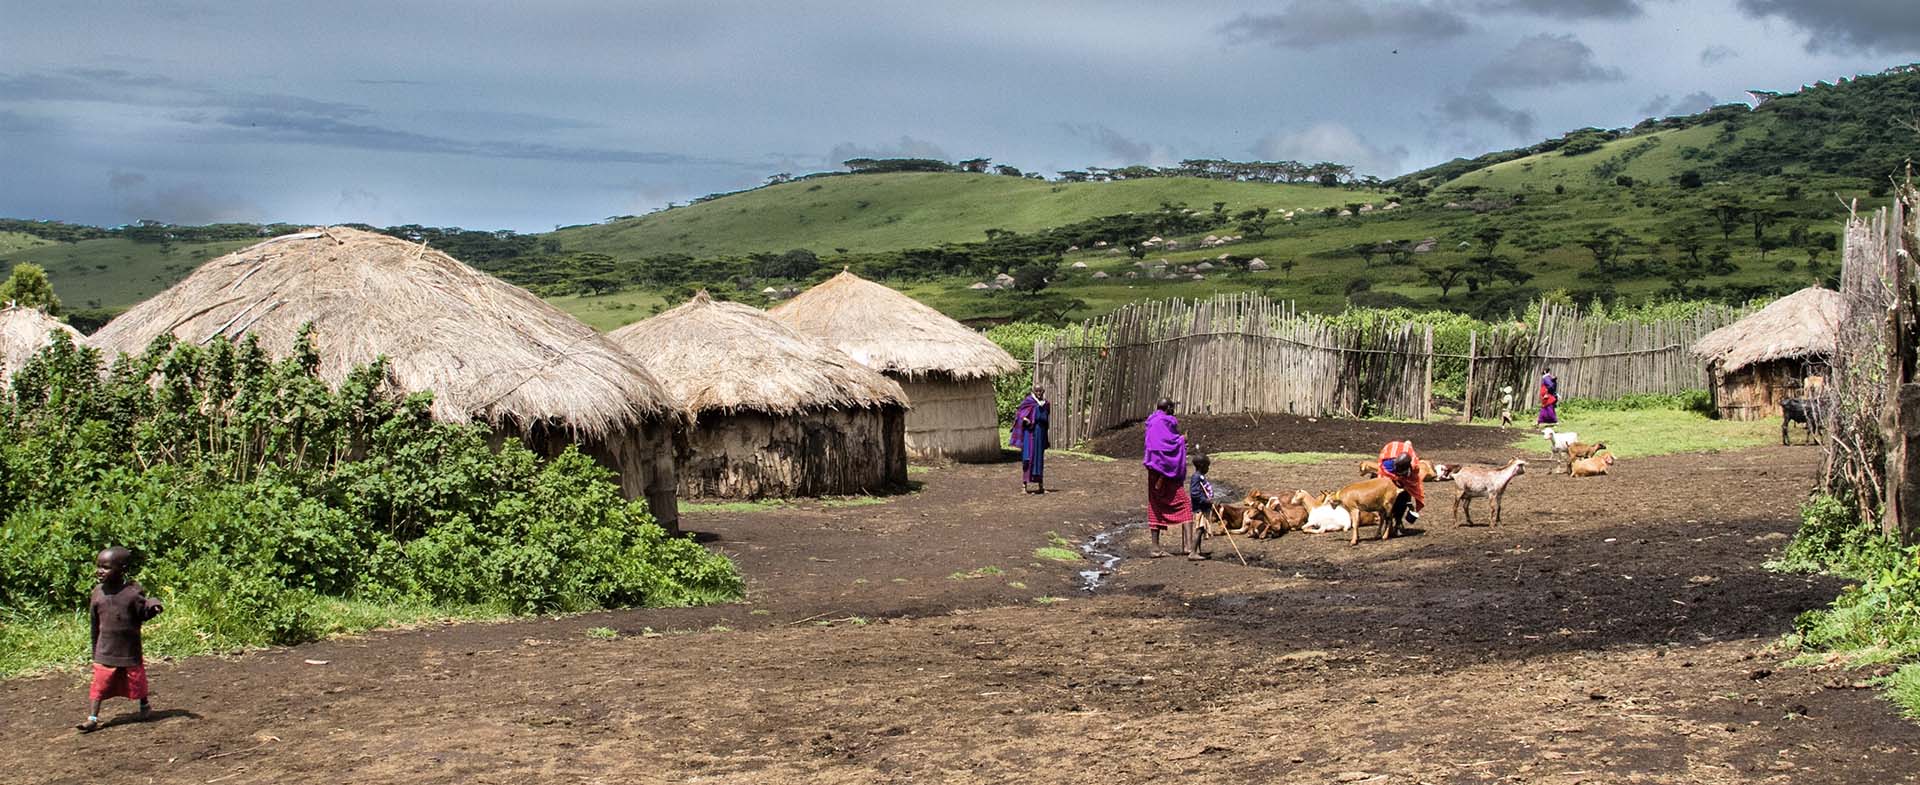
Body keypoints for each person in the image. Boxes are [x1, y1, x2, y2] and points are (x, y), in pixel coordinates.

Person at [79, 546, 163, 733]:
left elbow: (143, 613)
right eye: (98, 566)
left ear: (122, 568)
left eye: (106, 567)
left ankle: (144, 706)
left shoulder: (132, 594)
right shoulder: (97, 592)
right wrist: (95, 649)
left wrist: (153, 605)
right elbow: (94, 623)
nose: (100, 571)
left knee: (136, 681)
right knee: (99, 684)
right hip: (105, 648)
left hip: (128, 648)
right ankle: (92, 718)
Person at [1142, 398, 1201, 560]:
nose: (1174, 410)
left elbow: (1156, 446)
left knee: (1155, 505)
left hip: (1154, 471)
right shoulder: (1167, 421)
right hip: (1167, 472)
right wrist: (1182, 441)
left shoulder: (1152, 421)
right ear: (1168, 408)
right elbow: (1167, 446)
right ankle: (1188, 546)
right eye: (1172, 408)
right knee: (1185, 504)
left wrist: (1178, 444)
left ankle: (1155, 547)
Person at [1377, 440, 1424, 530]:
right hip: (1389, 472)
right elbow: (1385, 474)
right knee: (1385, 496)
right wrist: (1395, 480)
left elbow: (1413, 481)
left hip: (1405, 473)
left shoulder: (1414, 466)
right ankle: (1388, 522)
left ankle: (1398, 521)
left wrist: (1409, 499)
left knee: (1403, 496)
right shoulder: (1388, 463)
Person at [1011, 385, 1050, 494]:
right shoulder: (1029, 401)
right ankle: (1024, 486)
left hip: (1040, 434)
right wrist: (1025, 420)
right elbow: (1019, 414)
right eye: (1036, 391)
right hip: (1030, 434)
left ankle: (1040, 486)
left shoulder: (1046, 404)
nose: (1039, 392)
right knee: (1028, 458)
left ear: (1043, 391)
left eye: (1040, 391)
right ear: (1033, 391)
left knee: (1039, 459)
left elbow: (1046, 419)